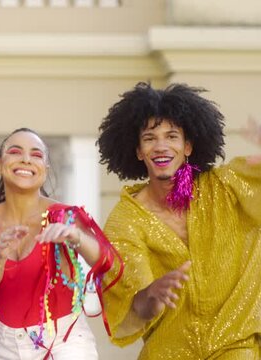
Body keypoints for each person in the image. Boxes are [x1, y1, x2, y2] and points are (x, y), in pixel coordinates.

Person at [97, 82, 261, 359]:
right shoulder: (125, 222)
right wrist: (151, 296)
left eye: (171, 136)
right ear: (138, 151)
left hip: (236, 345)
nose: (161, 146)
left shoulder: (225, 187)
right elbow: (132, 310)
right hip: (167, 351)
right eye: (149, 138)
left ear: (187, 146)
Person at [0, 128, 120, 359]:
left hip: (66, 343)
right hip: (8, 346)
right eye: (15, 151)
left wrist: (76, 237)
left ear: (45, 169)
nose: (26, 159)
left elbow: (107, 261)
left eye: (36, 155)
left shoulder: (65, 215)